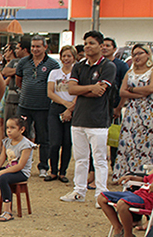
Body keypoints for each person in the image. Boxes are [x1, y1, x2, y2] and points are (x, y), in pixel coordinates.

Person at [60, 30, 117, 204]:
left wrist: (85, 88)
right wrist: (90, 88)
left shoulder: (108, 66)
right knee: (80, 158)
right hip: (79, 120)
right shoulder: (79, 66)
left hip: (98, 121)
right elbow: (71, 89)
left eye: (91, 43)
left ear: (101, 46)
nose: (87, 47)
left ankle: (102, 193)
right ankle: (79, 191)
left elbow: (100, 92)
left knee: (99, 159)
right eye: (85, 44)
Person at [15, 35, 60, 178]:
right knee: (22, 135)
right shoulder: (23, 62)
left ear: (45, 47)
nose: (35, 49)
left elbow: (56, 84)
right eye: (33, 46)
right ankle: (22, 164)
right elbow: (18, 80)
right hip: (25, 105)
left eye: (38, 46)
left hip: (43, 107)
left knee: (43, 137)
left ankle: (43, 167)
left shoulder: (53, 64)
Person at [0, 116, 35, 221]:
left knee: (3, 178)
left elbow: (20, 166)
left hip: (20, 172)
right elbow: (1, 159)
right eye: (7, 127)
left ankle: (8, 211)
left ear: (21, 130)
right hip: (9, 169)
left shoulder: (26, 145)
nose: (9, 130)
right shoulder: (7, 142)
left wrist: (1, 173)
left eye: (12, 128)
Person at [112, 44, 153, 180]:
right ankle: (126, 175)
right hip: (131, 112)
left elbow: (150, 89)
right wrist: (138, 94)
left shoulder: (151, 71)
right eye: (134, 54)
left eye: (140, 53)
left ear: (148, 54)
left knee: (146, 144)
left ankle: (144, 177)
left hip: (148, 112)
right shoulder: (130, 72)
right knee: (129, 144)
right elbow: (122, 92)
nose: (137, 57)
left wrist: (133, 90)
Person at [98, 172, 153, 237]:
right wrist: (131, 177)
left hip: (147, 199)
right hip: (137, 194)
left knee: (122, 204)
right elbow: (144, 179)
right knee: (101, 198)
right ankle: (118, 227)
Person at [44, 45, 77, 183]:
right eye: (64, 56)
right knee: (54, 142)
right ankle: (53, 171)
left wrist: (70, 108)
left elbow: (79, 93)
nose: (66, 59)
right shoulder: (54, 73)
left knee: (67, 143)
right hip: (57, 108)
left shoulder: (77, 73)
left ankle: (63, 172)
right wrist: (65, 104)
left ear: (74, 57)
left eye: (69, 56)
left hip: (73, 109)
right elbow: (50, 92)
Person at [102, 37, 130, 168]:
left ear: (114, 49)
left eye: (108, 45)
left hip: (115, 108)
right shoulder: (97, 64)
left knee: (114, 140)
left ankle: (115, 167)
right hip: (99, 109)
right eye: (103, 45)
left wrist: (119, 108)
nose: (105, 48)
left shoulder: (121, 65)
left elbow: (125, 87)